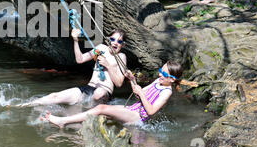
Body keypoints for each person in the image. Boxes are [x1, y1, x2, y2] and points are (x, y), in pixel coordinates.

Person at [41, 60, 183, 128]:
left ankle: (62, 122)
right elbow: (138, 94)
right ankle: (68, 123)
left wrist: (141, 93)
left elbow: (151, 111)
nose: (159, 74)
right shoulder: (158, 81)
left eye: (163, 73)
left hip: (138, 117)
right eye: (160, 70)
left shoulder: (166, 92)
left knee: (101, 109)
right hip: (133, 109)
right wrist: (133, 80)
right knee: (100, 115)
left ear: (172, 79)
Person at [17, 28, 127, 107]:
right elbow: (80, 60)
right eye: (113, 39)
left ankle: (88, 112)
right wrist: (75, 41)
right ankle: (25, 105)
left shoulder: (122, 57)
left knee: (98, 94)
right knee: (55, 96)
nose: (115, 43)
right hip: (88, 88)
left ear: (123, 45)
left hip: (104, 91)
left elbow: (119, 83)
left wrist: (108, 65)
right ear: (108, 40)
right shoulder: (100, 48)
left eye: (119, 41)